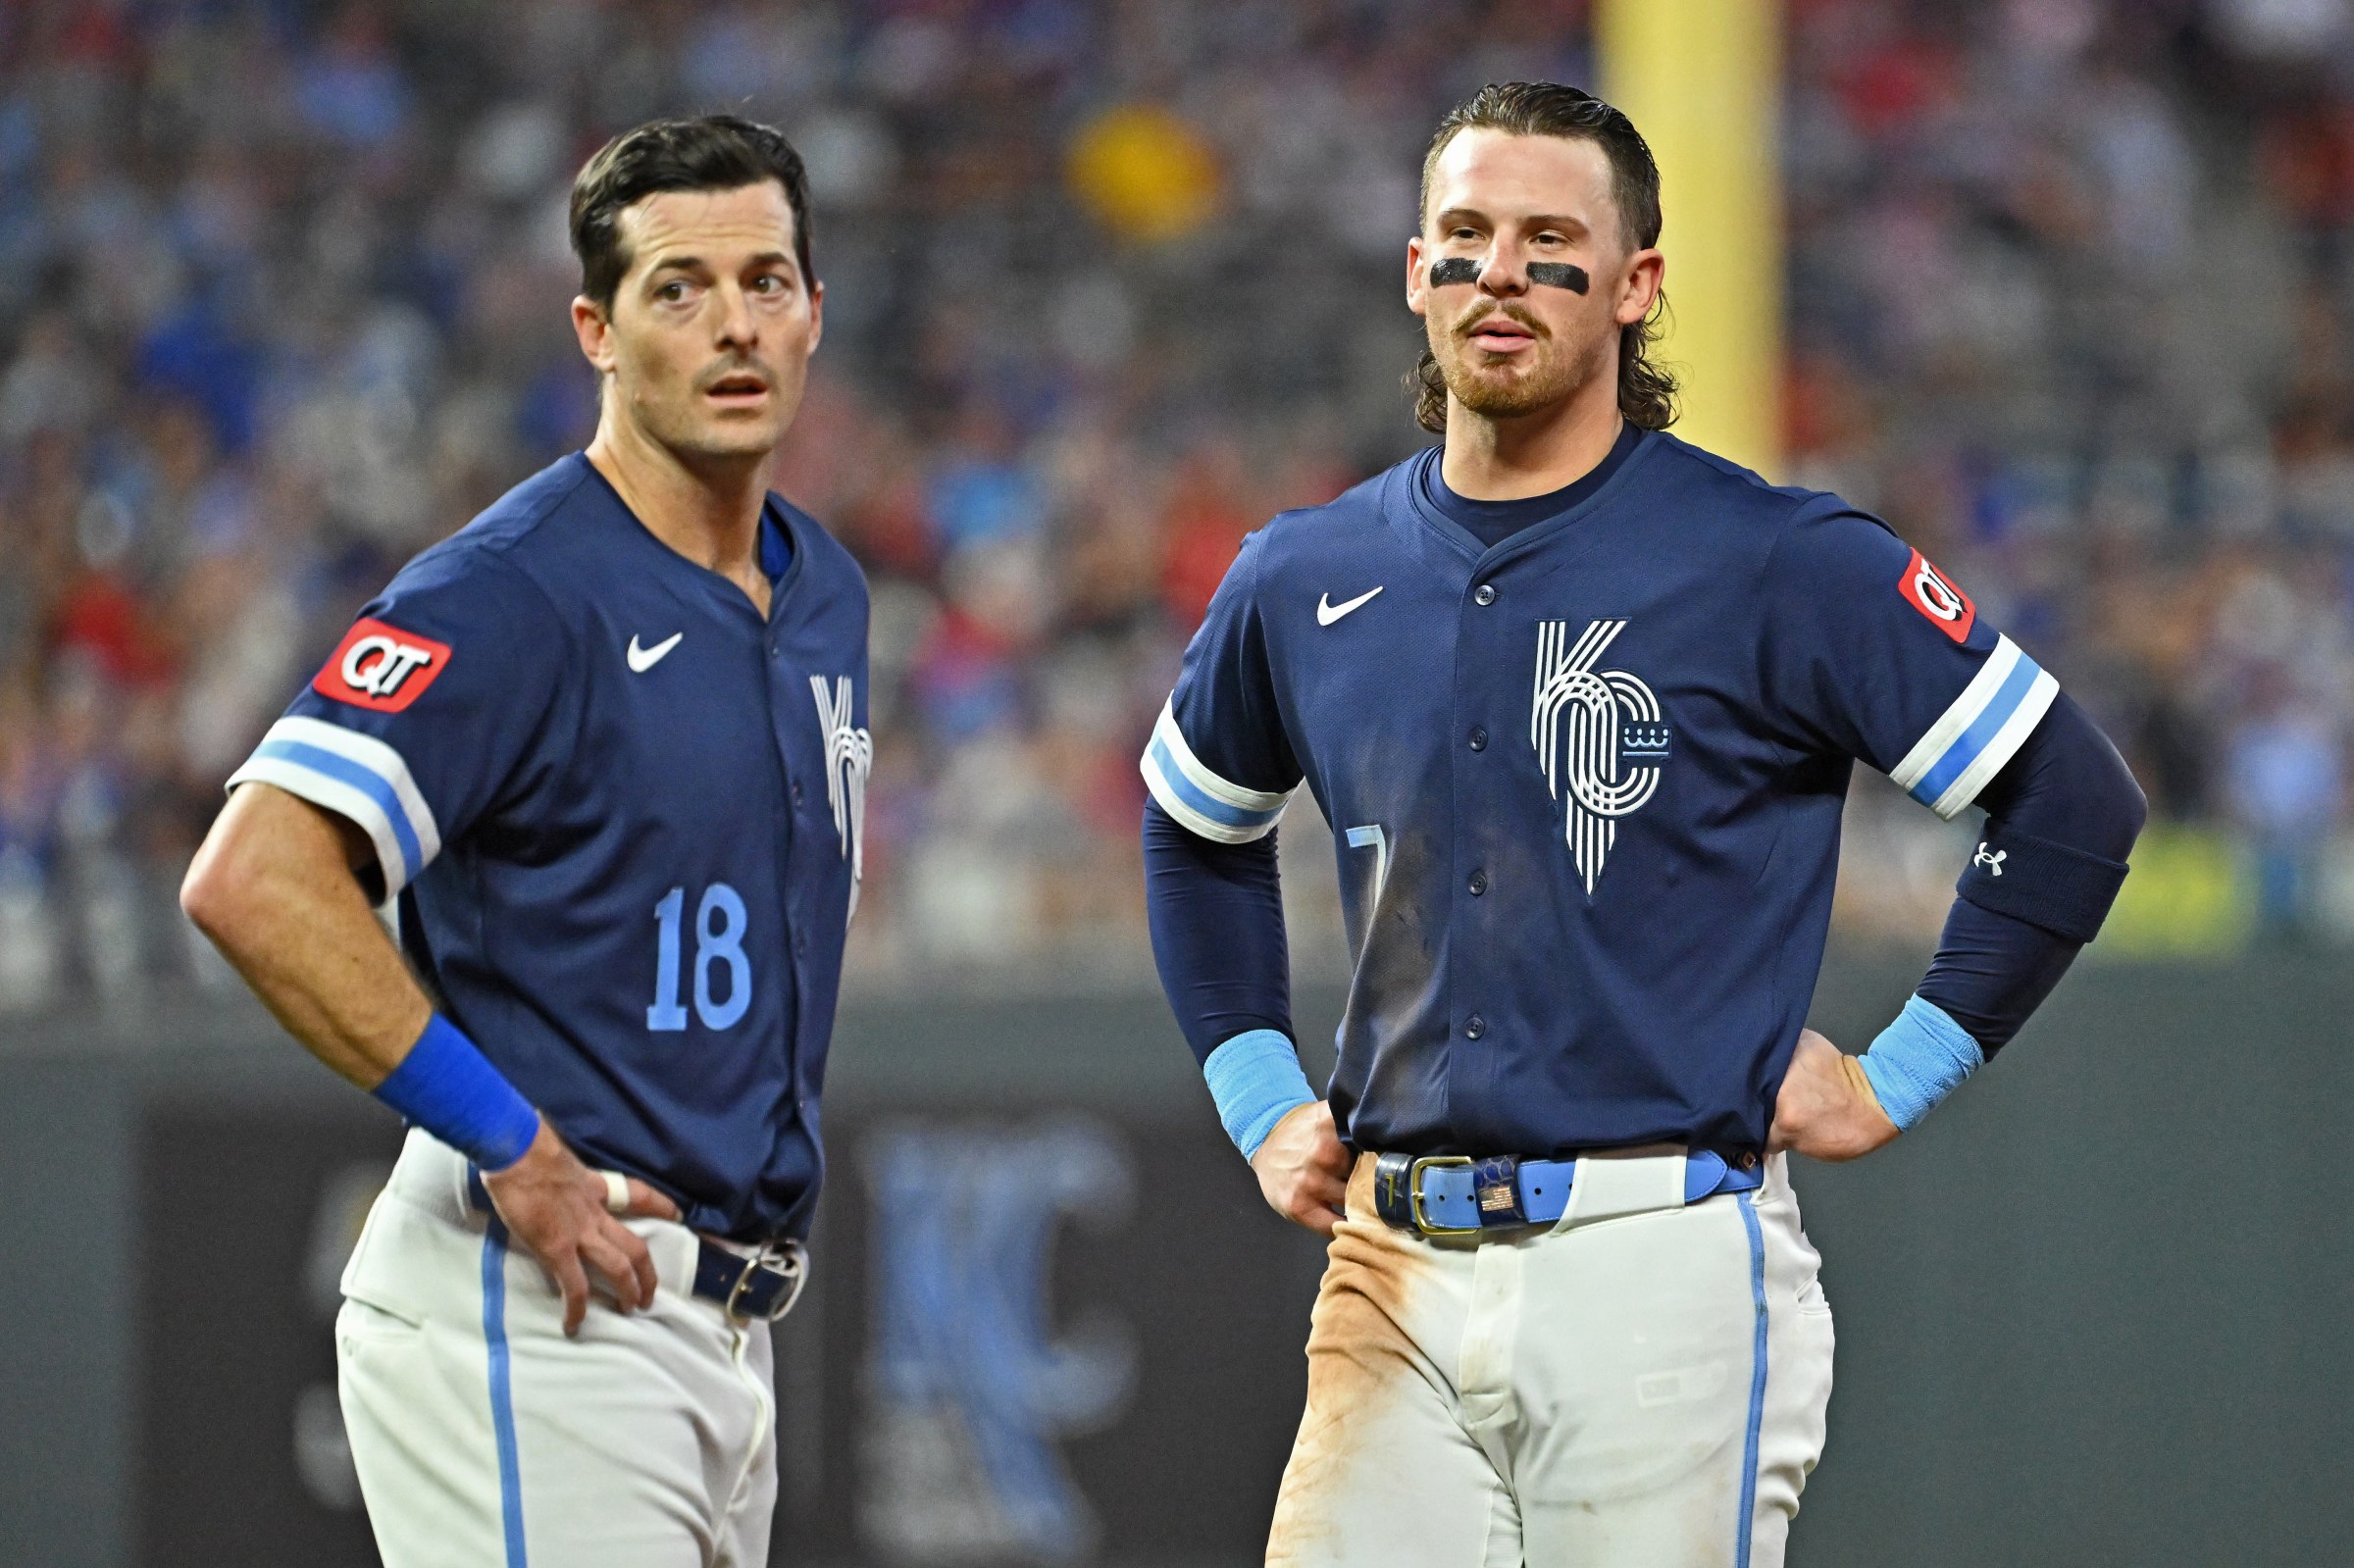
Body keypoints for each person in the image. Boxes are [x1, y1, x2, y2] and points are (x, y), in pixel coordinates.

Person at [1139, 82, 2145, 1568]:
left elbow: (2071, 798)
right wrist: (1254, 1090)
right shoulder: (1305, 572)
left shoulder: (1774, 558)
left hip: (1661, 1254)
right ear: (1415, 269)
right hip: (1392, 1262)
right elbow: (1192, 826)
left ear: (1636, 284)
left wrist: (1902, 1072)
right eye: (1465, 235)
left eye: (1551, 239)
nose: (1500, 272)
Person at [180, 114, 868, 1568]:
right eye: (678, 289)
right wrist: (506, 1136)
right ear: (595, 332)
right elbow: (254, 873)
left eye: (766, 280)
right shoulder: (517, 590)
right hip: (539, 1302)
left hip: (725, 1326)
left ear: (816, 310)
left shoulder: (826, 592)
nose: (733, 323)